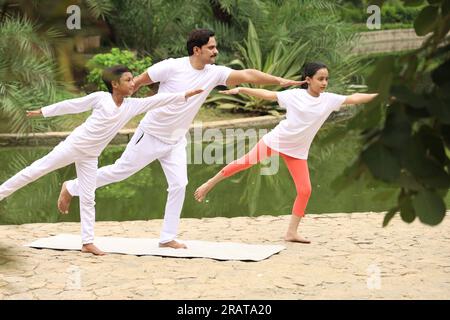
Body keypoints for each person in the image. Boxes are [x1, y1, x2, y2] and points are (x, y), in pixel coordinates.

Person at [58, 29, 304, 249]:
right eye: (211, 47)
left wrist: (278, 81)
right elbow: (137, 84)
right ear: (197, 50)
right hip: (151, 133)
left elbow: (246, 74)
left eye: (215, 47)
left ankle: (167, 237)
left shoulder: (214, 73)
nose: (216, 51)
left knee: (179, 184)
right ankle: (72, 187)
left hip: (176, 140)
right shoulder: (171, 67)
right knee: (120, 171)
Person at [0, 65, 202, 255]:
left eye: (133, 79)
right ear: (115, 84)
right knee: (34, 171)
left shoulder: (131, 106)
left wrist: (185, 95)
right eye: (128, 80)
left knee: (88, 197)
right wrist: (44, 111)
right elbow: (73, 105)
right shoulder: (100, 98)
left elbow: (158, 101)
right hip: (73, 147)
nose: (134, 83)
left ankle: (87, 243)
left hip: (90, 155)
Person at [194, 62, 379, 243]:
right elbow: (269, 94)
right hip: (277, 141)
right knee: (244, 162)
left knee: (305, 190)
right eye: (320, 79)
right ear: (308, 79)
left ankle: (291, 232)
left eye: (326, 79)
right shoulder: (295, 95)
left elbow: (355, 97)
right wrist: (243, 90)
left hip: (297, 150)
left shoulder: (329, 99)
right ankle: (209, 184)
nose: (324, 82)